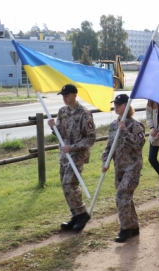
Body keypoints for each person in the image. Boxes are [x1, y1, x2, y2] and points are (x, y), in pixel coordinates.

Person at [47, 84, 96, 232]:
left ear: (75, 95)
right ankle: (75, 215)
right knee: (65, 184)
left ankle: (82, 214)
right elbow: (61, 135)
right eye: (63, 96)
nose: (64, 98)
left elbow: (91, 138)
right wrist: (53, 127)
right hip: (64, 155)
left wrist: (73, 148)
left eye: (67, 95)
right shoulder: (62, 111)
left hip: (78, 154)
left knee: (70, 183)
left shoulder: (84, 114)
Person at [102, 94, 146, 242]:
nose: (116, 106)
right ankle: (133, 227)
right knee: (126, 198)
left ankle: (125, 229)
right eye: (115, 104)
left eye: (119, 104)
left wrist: (125, 130)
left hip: (132, 167)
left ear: (127, 106)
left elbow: (139, 144)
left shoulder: (135, 125)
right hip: (119, 167)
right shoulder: (114, 125)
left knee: (121, 196)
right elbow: (109, 145)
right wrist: (105, 160)